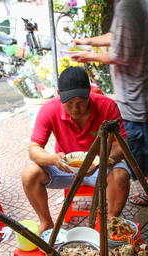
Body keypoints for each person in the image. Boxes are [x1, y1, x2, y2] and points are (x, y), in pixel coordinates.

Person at [70, 0, 148, 207]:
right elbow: (120, 39)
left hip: (133, 92)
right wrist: (89, 41)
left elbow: (121, 54)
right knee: (142, 144)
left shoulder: (128, 5)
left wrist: (88, 56)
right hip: (140, 86)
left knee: (136, 149)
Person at [21, 66, 131, 234]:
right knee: (29, 173)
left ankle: (110, 223)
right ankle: (46, 222)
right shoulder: (49, 109)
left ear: (89, 91)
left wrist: (101, 162)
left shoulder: (107, 106)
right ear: (59, 93)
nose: (75, 109)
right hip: (65, 168)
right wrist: (54, 159)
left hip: (99, 168)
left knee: (121, 175)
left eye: (81, 102)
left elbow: (121, 146)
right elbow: (34, 149)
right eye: (69, 103)